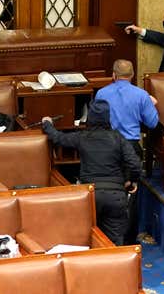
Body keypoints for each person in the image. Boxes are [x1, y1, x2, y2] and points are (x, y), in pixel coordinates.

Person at [41, 99, 141, 246]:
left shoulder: (82, 137)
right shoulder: (118, 138)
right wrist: (130, 181)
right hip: (115, 196)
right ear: (108, 117)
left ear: (90, 118)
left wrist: (47, 124)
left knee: (86, 238)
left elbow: (58, 138)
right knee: (114, 243)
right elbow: (135, 165)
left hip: (90, 195)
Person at [95, 59, 159, 245]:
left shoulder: (101, 93)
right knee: (131, 194)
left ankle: (104, 238)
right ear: (132, 76)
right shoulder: (141, 95)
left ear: (113, 75)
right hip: (130, 148)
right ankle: (130, 241)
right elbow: (153, 123)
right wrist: (151, 103)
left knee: (108, 188)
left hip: (107, 148)